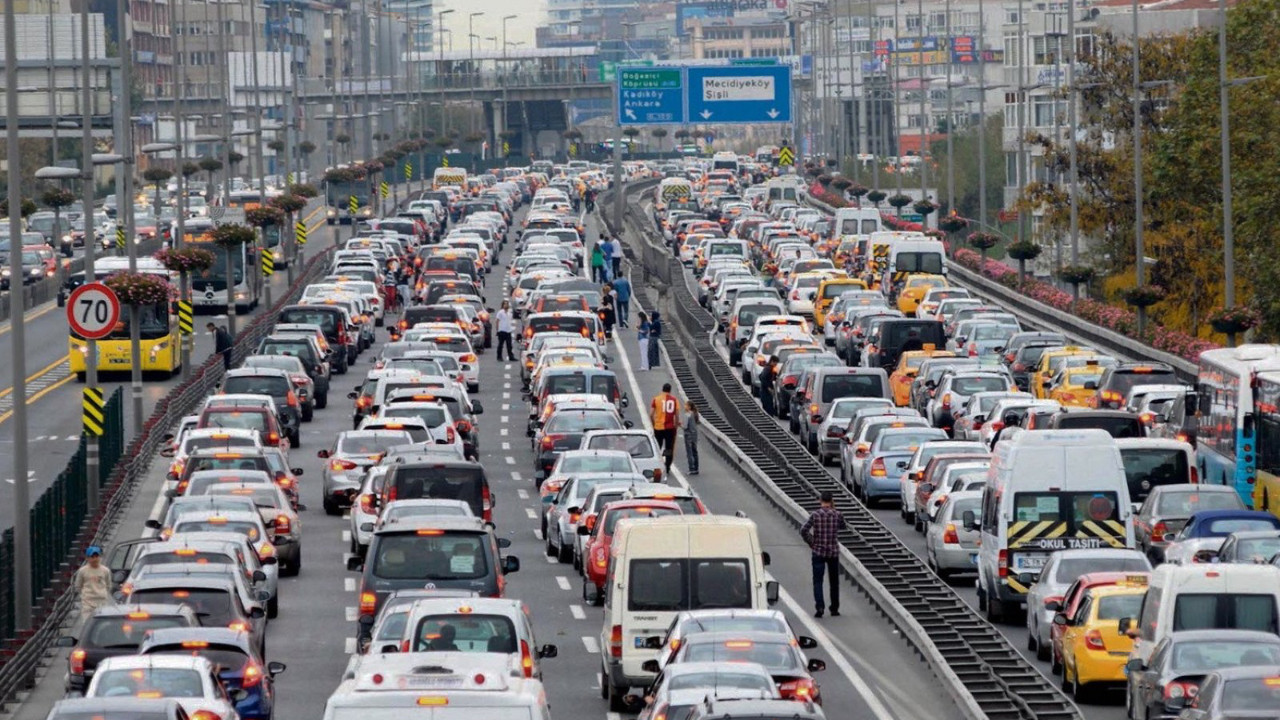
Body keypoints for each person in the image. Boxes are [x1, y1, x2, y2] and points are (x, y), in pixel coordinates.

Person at [800, 490, 846, 618]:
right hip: (833, 552)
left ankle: (820, 607)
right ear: (831, 501)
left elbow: (803, 530)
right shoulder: (837, 514)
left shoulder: (815, 515)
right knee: (834, 581)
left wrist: (811, 542)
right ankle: (834, 608)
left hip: (818, 551)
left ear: (820, 500)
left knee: (818, 581)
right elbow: (843, 526)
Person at [73, 546, 113, 624]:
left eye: (97, 556)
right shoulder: (82, 571)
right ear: (87, 558)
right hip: (88, 602)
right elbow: (78, 586)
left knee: (102, 623)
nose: (95, 559)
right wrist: (85, 595)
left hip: (102, 601)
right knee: (87, 624)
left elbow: (108, 585)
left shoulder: (105, 570)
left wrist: (103, 593)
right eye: (92, 557)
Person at [651, 383, 679, 475]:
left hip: (658, 427)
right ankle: (667, 467)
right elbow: (677, 415)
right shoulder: (674, 400)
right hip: (670, 428)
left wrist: (654, 424)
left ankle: (657, 465)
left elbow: (651, 414)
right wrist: (675, 426)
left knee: (657, 447)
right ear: (670, 390)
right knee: (669, 447)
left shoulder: (656, 399)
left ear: (662, 389)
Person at [684, 401, 700, 476]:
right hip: (694, 435)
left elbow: (685, 426)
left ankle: (691, 468)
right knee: (695, 452)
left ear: (689, 407)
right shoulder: (695, 414)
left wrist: (678, 424)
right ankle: (696, 468)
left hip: (688, 435)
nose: (685, 407)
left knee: (689, 452)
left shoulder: (687, 414)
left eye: (686, 405)